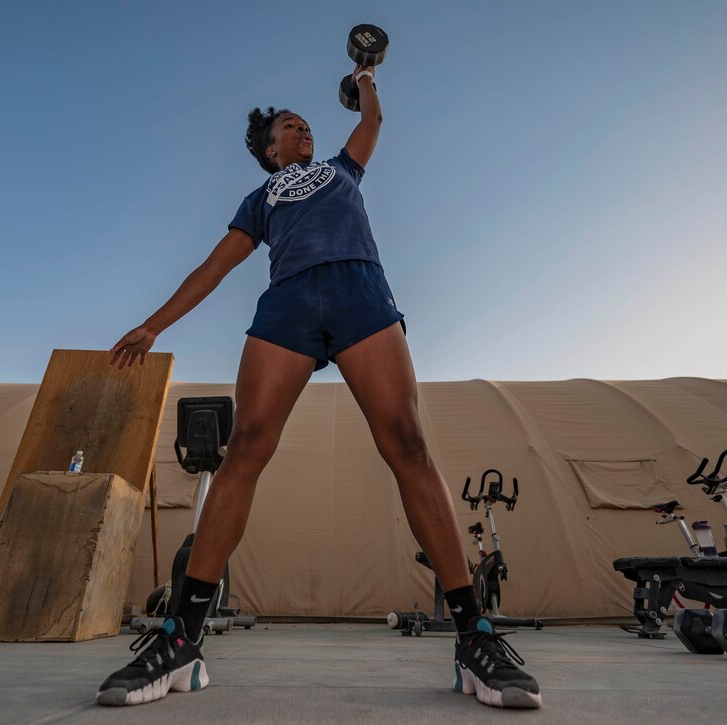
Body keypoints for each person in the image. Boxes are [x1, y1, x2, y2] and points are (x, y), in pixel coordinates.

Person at [101, 62, 542, 710]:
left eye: (305, 123)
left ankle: (474, 633)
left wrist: (365, 77)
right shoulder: (261, 199)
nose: (302, 128)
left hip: (360, 288)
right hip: (290, 303)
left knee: (408, 444)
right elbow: (215, 265)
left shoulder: (343, 166)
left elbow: (373, 121)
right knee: (246, 444)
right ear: (269, 149)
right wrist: (152, 324)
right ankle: (180, 638)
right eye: (289, 126)